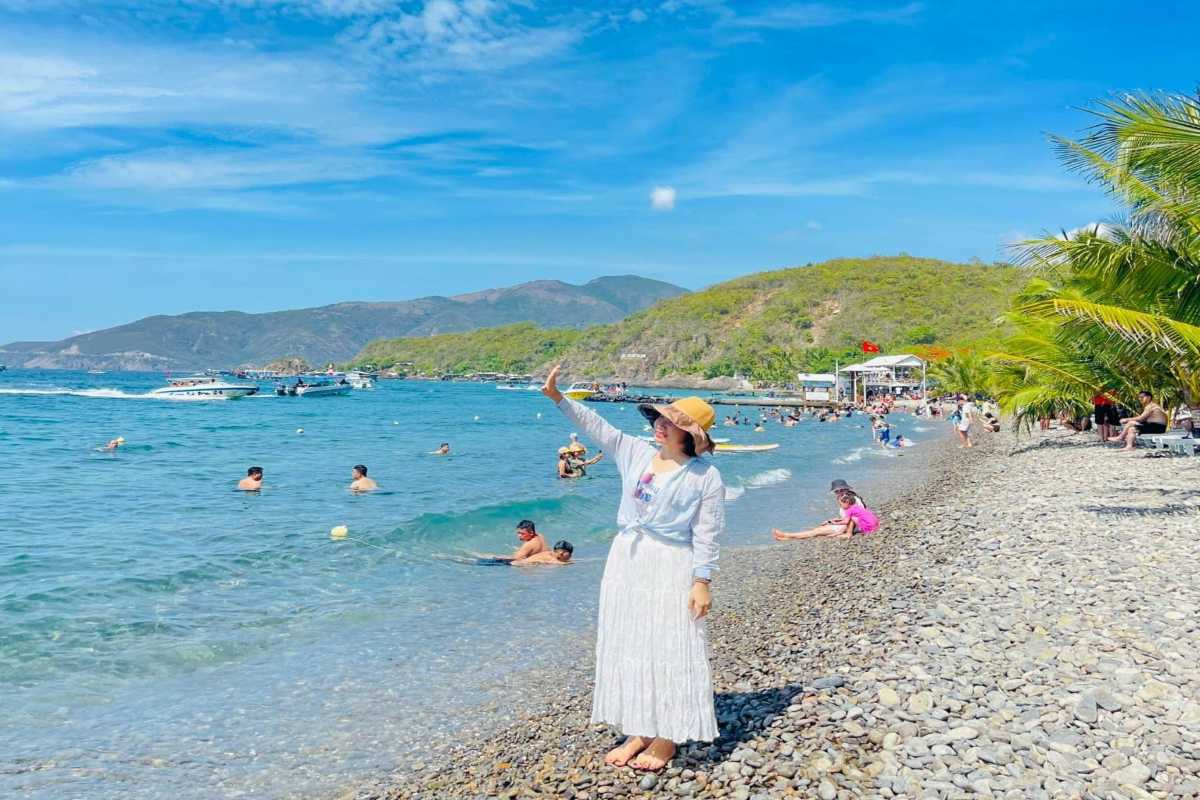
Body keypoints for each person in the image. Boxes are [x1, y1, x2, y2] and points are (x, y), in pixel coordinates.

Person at [542, 363, 723, 771]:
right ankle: (640, 727)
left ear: (690, 435)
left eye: (672, 422)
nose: (660, 424)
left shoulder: (705, 476)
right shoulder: (635, 452)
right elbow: (595, 425)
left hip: (671, 563)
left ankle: (667, 736)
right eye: (660, 417)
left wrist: (702, 581)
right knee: (631, 640)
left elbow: (707, 533)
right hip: (627, 559)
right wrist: (557, 397)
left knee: (670, 643)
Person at [773, 491, 879, 540]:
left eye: (840, 503)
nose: (839, 505)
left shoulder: (850, 507)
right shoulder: (855, 504)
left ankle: (787, 535)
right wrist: (832, 521)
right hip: (867, 526)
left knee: (816, 532)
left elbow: (848, 520)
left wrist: (835, 524)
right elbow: (852, 518)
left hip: (859, 528)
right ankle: (789, 537)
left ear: (846, 502)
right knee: (818, 530)